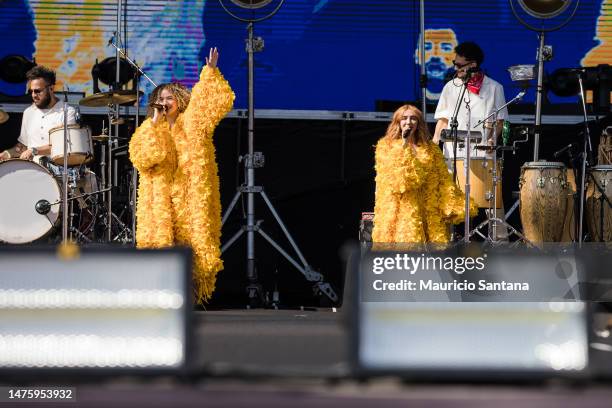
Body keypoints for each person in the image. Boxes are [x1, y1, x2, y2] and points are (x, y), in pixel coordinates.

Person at [129, 47, 235, 304]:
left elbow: (209, 104)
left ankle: (189, 298)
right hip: (161, 203)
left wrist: (209, 72)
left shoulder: (194, 123)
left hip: (190, 201)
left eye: (168, 98)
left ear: (179, 99)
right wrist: (154, 121)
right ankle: (162, 296)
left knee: (192, 247)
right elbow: (143, 157)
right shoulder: (151, 129)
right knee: (162, 247)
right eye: (160, 99)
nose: (164, 103)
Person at [432, 42, 509, 240]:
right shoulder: (451, 87)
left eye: (459, 65)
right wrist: (433, 147)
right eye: (454, 64)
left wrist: (492, 139)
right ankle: (445, 244)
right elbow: (443, 119)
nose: (455, 68)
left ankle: (500, 245)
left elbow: (500, 122)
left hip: (482, 154)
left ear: (473, 64)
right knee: (448, 203)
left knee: (492, 205)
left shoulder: (494, 88)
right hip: (453, 155)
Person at [372, 104, 476, 244]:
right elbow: (394, 180)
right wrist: (403, 144)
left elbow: (442, 177)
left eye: (413, 118)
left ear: (419, 123)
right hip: (402, 206)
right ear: (397, 122)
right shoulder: (386, 146)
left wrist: (452, 202)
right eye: (404, 118)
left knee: (428, 253)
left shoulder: (431, 148)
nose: (408, 122)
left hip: (426, 206)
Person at [0, 65, 76, 162]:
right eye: (31, 91)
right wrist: (7, 154)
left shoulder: (67, 112)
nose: (33, 95)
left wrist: (34, 150)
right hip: (32, 169)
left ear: (51, 89)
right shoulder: (28, 112)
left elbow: (64, 146)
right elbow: (23, 146)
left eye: (37, 91)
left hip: (57, 169)